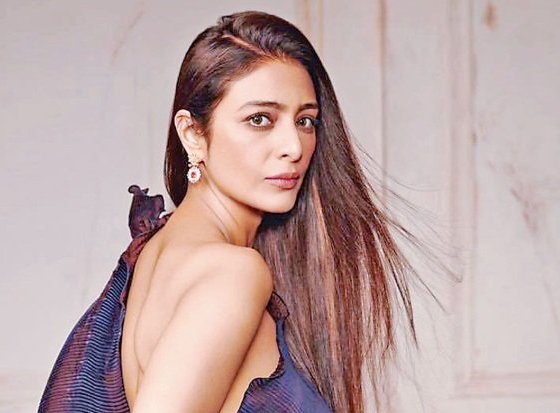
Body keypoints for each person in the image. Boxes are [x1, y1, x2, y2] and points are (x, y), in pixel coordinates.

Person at [39, 10, 434, 413]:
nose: (293, 147)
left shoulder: (155, 252)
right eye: (260, 119)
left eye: (305, 121)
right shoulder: (233, 274)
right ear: (193, 133)